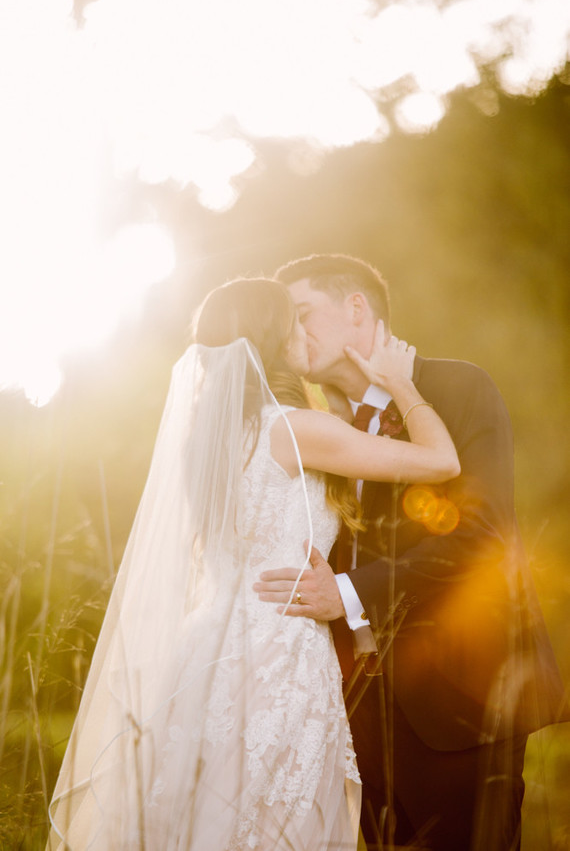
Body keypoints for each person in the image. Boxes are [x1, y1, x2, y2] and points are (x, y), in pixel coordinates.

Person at [47, 277, 460, 851]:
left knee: (199, 814)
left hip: (206, 645)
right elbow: (441, 462)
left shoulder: (204, 441)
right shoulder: (294, 430)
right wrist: (401, 384)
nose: (302, 330)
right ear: (271, 337)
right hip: (278, 646)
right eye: (292, 321)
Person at [253, 254, 570, 851]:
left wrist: (342, 593)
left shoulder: (456, 385)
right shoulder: (312, 425)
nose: (293, 336)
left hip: (461, 703)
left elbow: (481, 536)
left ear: (356, 309)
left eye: (303, 315)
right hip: (355, 711)